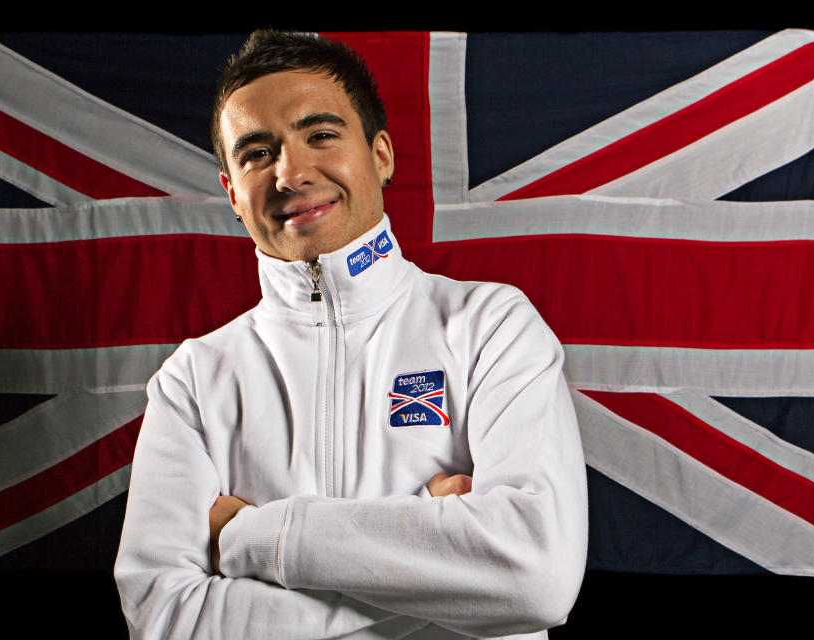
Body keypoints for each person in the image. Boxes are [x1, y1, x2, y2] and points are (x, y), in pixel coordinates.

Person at [115, 30, 588, 639]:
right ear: (233, 193)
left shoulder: (492, 326)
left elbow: (535, 577)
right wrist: (438, 562)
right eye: (257, 153)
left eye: (321, 135)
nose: (291, 172)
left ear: (381, 154)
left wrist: (253, 537)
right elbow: (166, 620)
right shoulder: (193, 381)